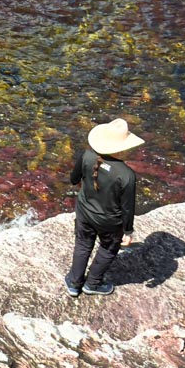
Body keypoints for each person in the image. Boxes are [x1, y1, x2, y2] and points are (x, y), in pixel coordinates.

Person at [66, 117, 143, 297]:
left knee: (83, 245)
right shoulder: (126, 175)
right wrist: (128, 231)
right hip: (109, 221)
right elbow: (127, 207)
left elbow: (73, 179)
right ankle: (93, 283)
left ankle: (74, 283)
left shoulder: (87, 156)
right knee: (108, 248)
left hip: (85, 213)